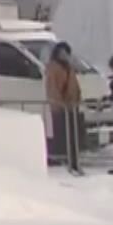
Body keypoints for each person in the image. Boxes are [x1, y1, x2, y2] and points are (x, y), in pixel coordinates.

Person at [45, 42, 85, 176]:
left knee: (73, 137)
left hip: (72, 107)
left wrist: (78, 101)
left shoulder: (69, 68)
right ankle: (67, 163)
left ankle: (74, 162)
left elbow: (75, 85)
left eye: (66, 53)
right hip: (61, 108)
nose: (64, 55)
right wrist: (59, 105)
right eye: (61, 53)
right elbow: (53, 89)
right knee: (64, 137)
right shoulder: (54, 68)